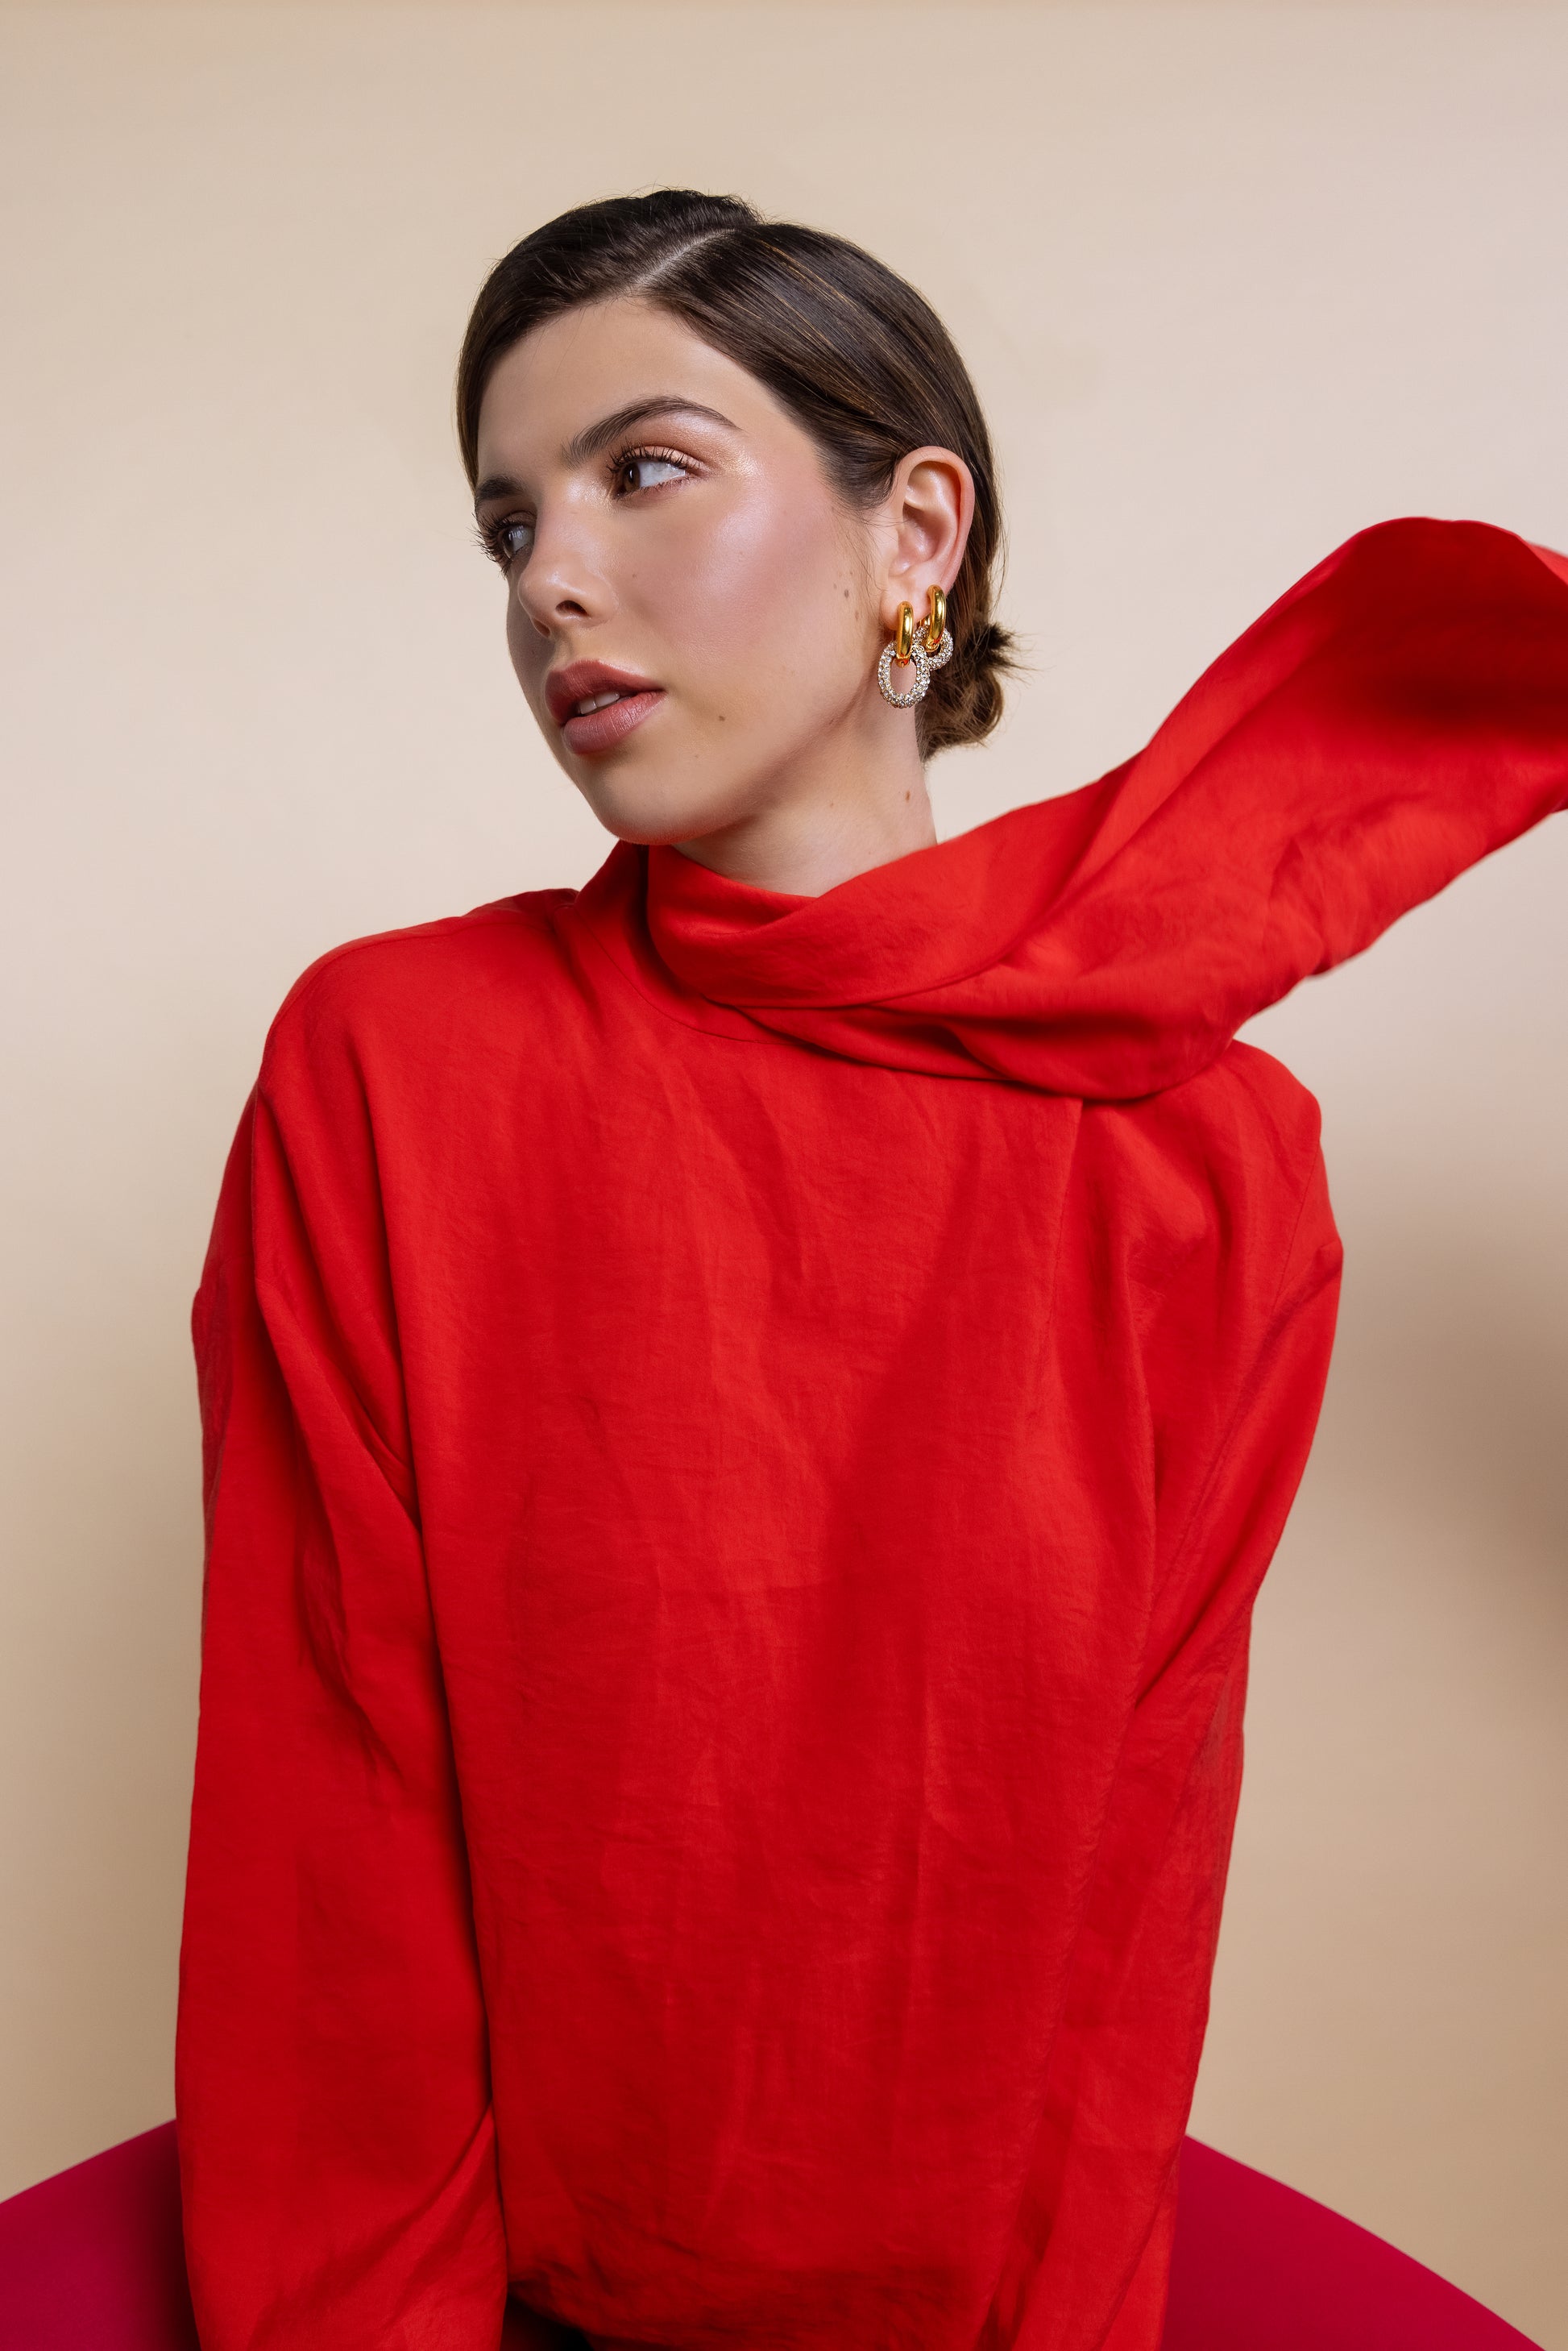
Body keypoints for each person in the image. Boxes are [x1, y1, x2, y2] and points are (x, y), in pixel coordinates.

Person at [173, 190, 1568, 2351]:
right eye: (507, 525)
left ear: (913, 530)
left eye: (644, 470)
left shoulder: (1210, 1160)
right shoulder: (395, 1063)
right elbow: (328, 1819)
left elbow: (1130, 1894)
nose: (549, 579)